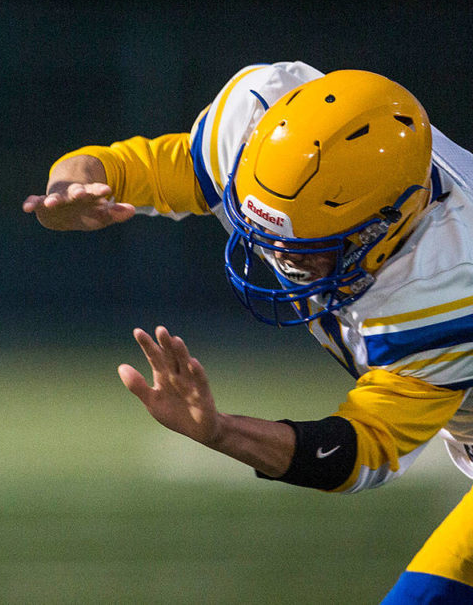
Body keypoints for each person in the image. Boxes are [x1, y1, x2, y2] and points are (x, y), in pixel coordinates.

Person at [23, 61, 473, 603]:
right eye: (263, 227)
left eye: (308, 244)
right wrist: (69, 187)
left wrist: (222, 431)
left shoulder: (450, 286)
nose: (279, 255)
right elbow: (138, 166)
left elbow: (363, 449)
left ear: (385, 226)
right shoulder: (259, 122)